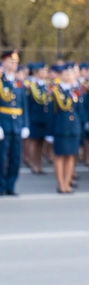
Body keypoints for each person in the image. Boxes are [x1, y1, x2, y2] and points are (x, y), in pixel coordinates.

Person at [0, 50, 30, 196]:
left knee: (15, 158)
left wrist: (25, 124)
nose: (14, 64)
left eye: (16, 62)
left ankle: (11, 185)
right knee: (2, 158)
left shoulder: (19, 83)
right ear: (4, 62)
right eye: (11, 61)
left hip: (17, 124)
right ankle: (2, 187)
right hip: (4, 124)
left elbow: (23, 106)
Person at [46, 64, 85, 193]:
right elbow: (51, 112)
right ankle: (60, 184)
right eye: (66, 73)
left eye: (71, 74)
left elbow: (80, 111)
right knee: (60, 156)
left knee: (71, 156)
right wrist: (50, 131)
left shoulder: (77, 91)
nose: (69, 76)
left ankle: (67, 184)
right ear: (61, 75)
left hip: (73, 127)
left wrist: (80, 126)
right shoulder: (55, 91)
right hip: (60, 126)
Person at [25, 63, 51, 174]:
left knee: (41, 143)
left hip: (45, 117)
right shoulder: (31, 86)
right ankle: (33, 164)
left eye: (46, 71)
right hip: (34, 117)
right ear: (36, 72)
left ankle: (39, 164)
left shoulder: (48, 86)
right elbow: (27, 104)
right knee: (34, 141)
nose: (45, 73)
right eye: (43, 71)